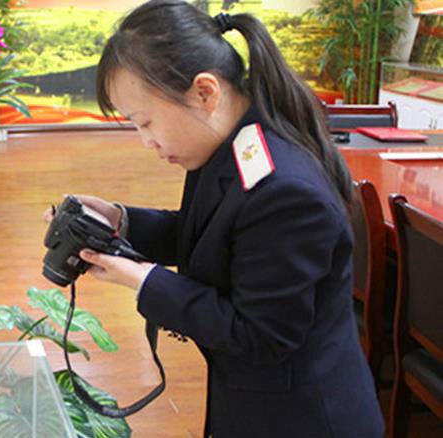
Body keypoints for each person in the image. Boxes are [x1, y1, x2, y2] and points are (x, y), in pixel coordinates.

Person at [51, 1, 385, 436]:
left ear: (205, 93)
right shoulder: (230, 145)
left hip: (304, 419)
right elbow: (210, 234)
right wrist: (120, 221)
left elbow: (261, 335)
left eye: (145, 122)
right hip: (257, 402)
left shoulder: (286, 192)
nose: (146, 141)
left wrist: (143, 279)